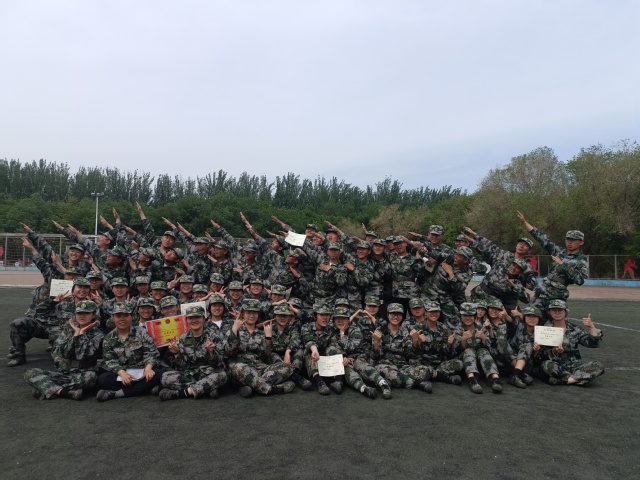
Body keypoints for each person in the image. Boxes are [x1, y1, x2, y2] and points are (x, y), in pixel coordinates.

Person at [517, 211, 588, 323]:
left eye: (573, 240)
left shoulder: (581, 260)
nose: (569, 242)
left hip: (556, 297)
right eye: (568, 239)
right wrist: (525, 222)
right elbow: (542, 239)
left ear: (581, 242)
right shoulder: (559, 252)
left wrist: (563, 265)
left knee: (557, 326)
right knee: (530, 321)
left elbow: (580, 280)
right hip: (541, 293)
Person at [24, 300, 104, 400]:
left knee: (91, 378)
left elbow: (82, 355)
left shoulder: (98, 335)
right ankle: (64, 392)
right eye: (79, 313)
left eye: (86, 313)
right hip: (64, 372)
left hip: (83, 374)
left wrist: (81, 335)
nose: (82, 316)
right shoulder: (68, 330)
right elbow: (63, 353)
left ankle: (46, 388)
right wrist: (75, 334)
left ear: (93, 315)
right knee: (30, 373)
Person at [226, 299, 295, 397]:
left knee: (287, 367)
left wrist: (268, 338)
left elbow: (265, 356)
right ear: (243, 314)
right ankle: (274, 389)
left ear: (258, 315)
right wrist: (234, 332)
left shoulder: (261, 332)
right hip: (240, 367)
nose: (251, 316)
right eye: (248, 312)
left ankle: (251, 386)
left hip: (258, 368)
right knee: (239, 368)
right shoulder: (234, 328)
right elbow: (229, 352)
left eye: (254, 313)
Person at [96, 302, 162, 402]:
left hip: (142, 370)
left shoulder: (142, 332)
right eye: (118, 316)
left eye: (126, 316)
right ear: (113, 318)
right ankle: (146, 389)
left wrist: (148, 368)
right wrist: (122, 373)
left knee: (159, 373)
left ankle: (117, 394)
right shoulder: (108, 338)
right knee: (103, 379)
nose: (122, 319)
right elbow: (110, 360)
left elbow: (151, 352)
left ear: (131, 317)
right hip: (123, 373)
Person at [159, 305, 228, 400]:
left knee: (223, 375)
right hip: (190, 375)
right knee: (165, 377)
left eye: (197, 317)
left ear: (203, 319)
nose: (194, 320)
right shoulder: (183, 338)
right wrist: (176, 353)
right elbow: (184, 366)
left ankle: (181, 393)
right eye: (191, 318)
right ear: (186, 320)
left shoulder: (214, 336)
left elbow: (219, 363)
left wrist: (211, 353)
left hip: (209, 373)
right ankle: (207, 388)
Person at [328, 307, 390, 399]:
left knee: (363, 366)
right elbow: (332, 347)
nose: (340, 321)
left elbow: (351, 348)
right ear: (333, 321)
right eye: (337, 319)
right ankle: (364, 389)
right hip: (344, 361)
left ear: (348, 320)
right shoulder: (330, 331)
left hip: (358, 357)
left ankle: (383, 385)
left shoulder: (355, 330)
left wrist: (342, 334)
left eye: (343, 318)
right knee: (349, 372)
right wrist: (343, 357)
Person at [371, 303, 433, 393]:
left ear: (402, 316)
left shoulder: (406, 331)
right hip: (384, 365)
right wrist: (376, 343)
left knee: (425, 371)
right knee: (387, 371)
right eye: (393, 314)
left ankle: (394, 380)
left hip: (402, 366)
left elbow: (411, 355)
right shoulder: (380, 331)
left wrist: (415, 341)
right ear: (388, 315)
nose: (396, 317)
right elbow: (375, 357)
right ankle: (417, 384)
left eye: (399, 314)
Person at [539, 300, 604, 386]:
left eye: (560, 310)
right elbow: (541, 354)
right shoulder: (545, 330)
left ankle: (566, 380)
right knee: (545, 365)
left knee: (598, 365)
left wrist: (592, 327)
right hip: (556, 365)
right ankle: (580, 378)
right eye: (554, 310)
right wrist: (554, 351)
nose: (557, 313)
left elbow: (592, 344)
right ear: (550, 312)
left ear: (565, 312)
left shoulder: (575, 329)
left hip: (574, 365)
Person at [456, 303, 503, 394]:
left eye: (470, 315)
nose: (467, 318)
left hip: (481, 363)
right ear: (461, 317)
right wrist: (463, 340)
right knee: (469, 350)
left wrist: (483, 339)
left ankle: (495, 379)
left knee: (483, 350)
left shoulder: (481, 328)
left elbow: (490, 349)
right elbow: (455, 352)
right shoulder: (458, 329)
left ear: (474, 316)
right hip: (464, 363)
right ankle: (472, 380)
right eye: (465, 315)